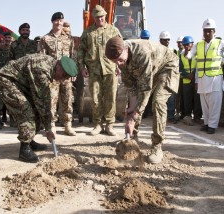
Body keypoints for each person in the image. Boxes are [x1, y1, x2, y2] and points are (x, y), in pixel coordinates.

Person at [105, 36, 180, 164]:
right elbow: (133, 90)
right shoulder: (122, 61)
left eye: (120, 59)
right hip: (152, 70)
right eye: (115, 61)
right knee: (134, 109)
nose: (118, 64)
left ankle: (157, 145)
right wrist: (132, 109)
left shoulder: (142, 53)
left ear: (126, 49)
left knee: (158, 101)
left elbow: (145, 89)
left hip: (167, 67)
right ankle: (132, 138)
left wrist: (134, 116)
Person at [0, 54, 78, 162]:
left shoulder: (51, 67)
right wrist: (48, 129)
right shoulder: (42, 70)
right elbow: (43, 102)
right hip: (7, 81)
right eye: (63, 75)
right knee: (26, 112)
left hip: (21, 84)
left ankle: (29, 141)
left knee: (36, 111)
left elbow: (43, 100)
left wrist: (48, 125)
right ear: (58, 65)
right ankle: (24, 150)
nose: (62, 80)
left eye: (66, 78)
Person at [77, 5, 122, 136]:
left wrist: (119, 65)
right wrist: (82, 67)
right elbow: (80, 50)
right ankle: (97, 124)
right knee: (95, 98)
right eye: (97, 17)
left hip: (110, 69)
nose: (100, 19)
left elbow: (120, 48)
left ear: (105, 16)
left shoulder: (113, 31)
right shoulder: (88, 32)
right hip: (94, 70)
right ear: (94, 18)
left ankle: (109, 125)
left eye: (101, 16)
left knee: (111, 98)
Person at [187, 19, 224, 134]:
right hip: (202, 78)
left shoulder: (220, 43)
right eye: (205, 31)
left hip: (215, 79)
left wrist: (223, 61)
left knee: (215, 103)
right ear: (202, 32)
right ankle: (207, 123)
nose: (207, 33)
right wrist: (187, 53)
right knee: (205, 103)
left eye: (209, 31)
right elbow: (190, 57)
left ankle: (213, 125)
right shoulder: (198, 45)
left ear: (214, 32)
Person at [38, 12, 76, 136]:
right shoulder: (45, 39)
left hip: (66, 75)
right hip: (52, 76)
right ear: (52, 22)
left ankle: (67, 125)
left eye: (60, 21)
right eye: (56, 21)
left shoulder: (69, 38)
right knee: (51, 101)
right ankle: (52, 125)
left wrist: (73, 71)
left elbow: (72, 56)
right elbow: (41, 58)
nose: (58, 23)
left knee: (67, 100)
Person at [9, 23, 37, 127]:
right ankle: (16, 119)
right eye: (24, 30)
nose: (26, 32)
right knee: (17, 99)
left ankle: (32, 120)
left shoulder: (34, 44)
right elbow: (10, 61)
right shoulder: (14, 45)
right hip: (18, 77)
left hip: (31, 76)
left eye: (27, 30)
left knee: (32, 99)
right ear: (20, 31)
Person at [180, 36, 202, 126]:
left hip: (196, 80)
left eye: (188, 44)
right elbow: (180, 68)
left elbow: (199, 65)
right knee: (187, 100)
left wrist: (193, 74)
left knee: (197, 99)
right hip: (186, 81)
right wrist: (187, 75)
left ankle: (197, 117)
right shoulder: (181, 55)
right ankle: (188, 116)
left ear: (192, 44)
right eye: (184, 45)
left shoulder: (197, 55)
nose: (186, 46)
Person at [159, 31, 177, 124]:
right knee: (160, 99)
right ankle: (160, 117)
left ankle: (170, 116)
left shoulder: (173, 50)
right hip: (160, 77)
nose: (167, 42)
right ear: (160, 40)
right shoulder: (157, 50)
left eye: (168, 40)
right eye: (164, 40)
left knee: (171, 98)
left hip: (170, 77)